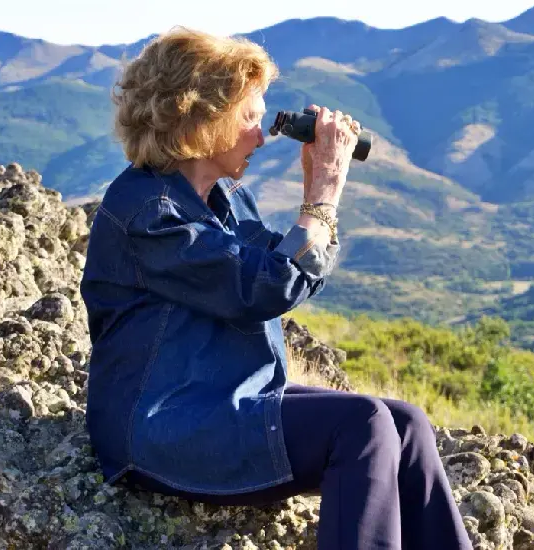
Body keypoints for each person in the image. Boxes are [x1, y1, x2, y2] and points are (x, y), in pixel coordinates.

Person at [79, 26, 473, 550]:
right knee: (361, 426)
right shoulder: (150, 213)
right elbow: (265, 288)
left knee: (405, 423)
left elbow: (289, 267)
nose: (261, 137)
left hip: (223, 397)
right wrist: (322, 196)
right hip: (163, 426)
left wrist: (318, 195)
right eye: (250, 117)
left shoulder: (223, 197)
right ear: (200, 118)